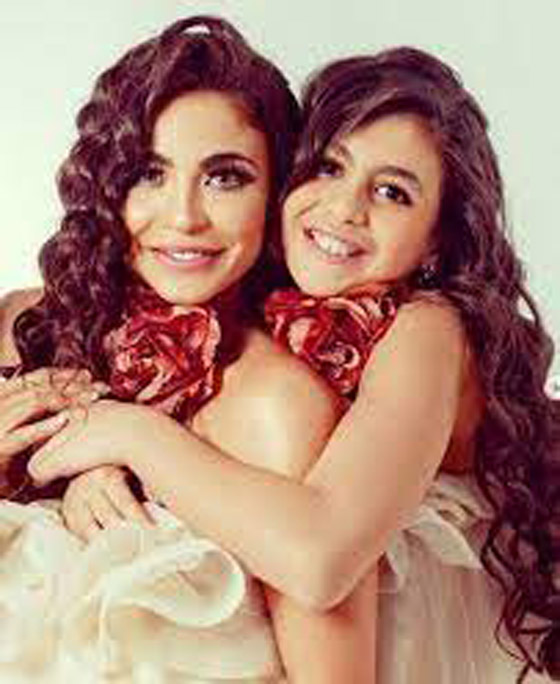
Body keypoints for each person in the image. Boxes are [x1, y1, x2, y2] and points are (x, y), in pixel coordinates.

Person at [0, 16, 384, 683]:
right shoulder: (26, 323)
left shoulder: (277, 406)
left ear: (278, 194)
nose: (183, 216)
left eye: (225, 177)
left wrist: (129, 436)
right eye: (149, 173)